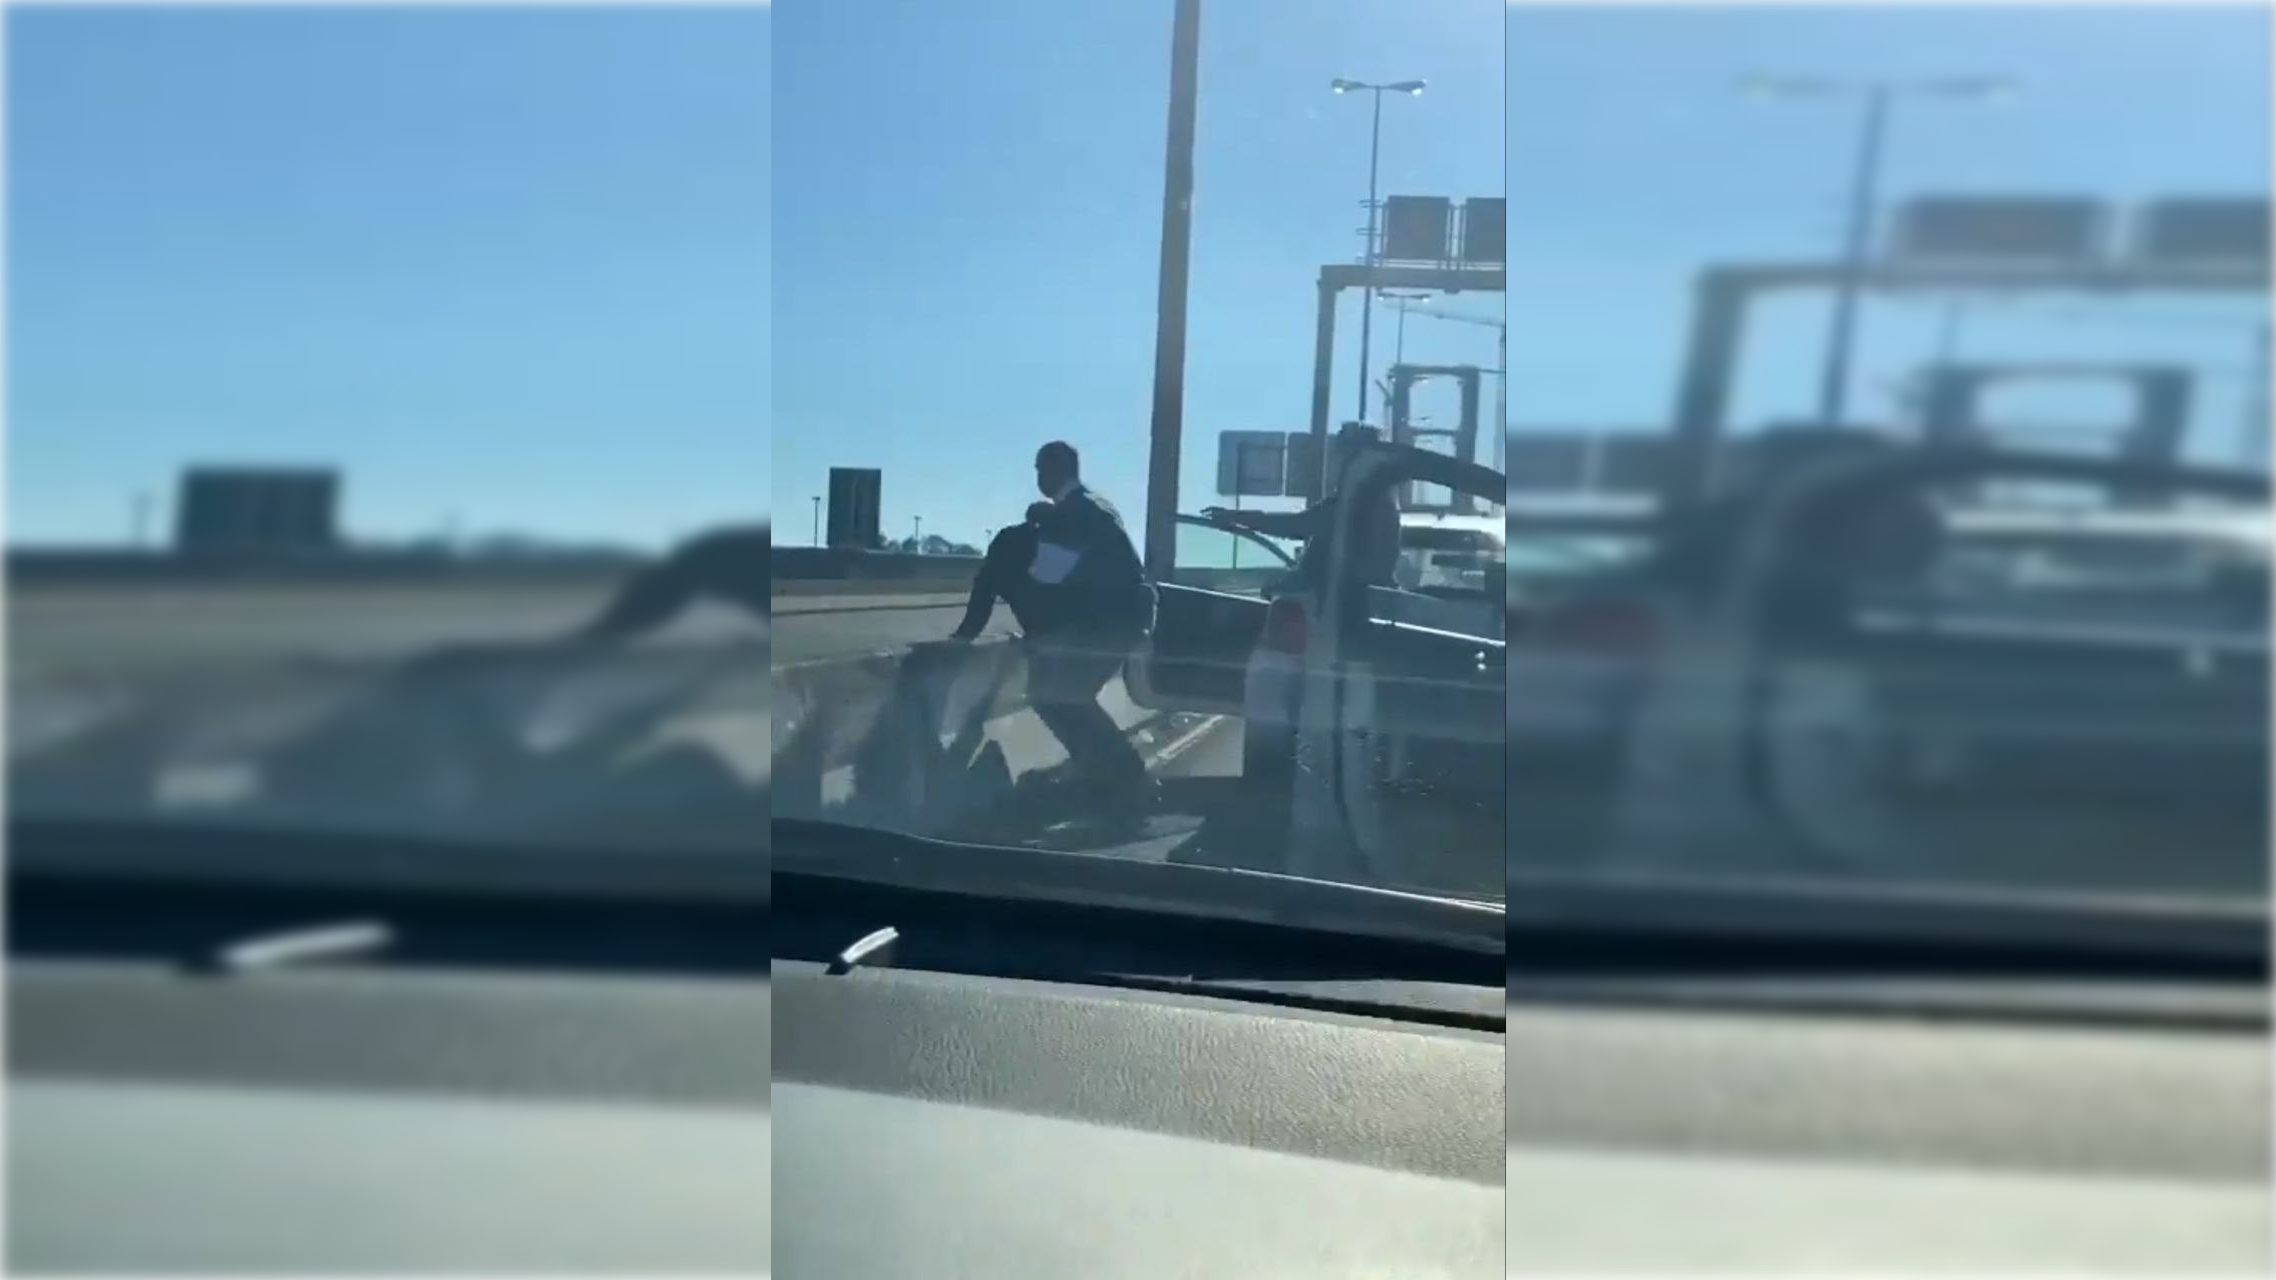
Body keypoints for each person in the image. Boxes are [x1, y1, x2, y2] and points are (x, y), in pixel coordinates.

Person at [1016, 440, 1158, 810]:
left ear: (1051, 470)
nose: (1036, 478)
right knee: (1066, 695)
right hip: (1124, 619)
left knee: (1056, 694)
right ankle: (1103, 772)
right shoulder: (1096, 505)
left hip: (1106, 622)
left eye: (1038, 469)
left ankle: (1128, 777)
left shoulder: (1071, 513)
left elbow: (1046, 577)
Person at [1203, 427, 1402, 590]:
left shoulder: (1363, 505)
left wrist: (1237, 518)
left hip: (1347, 607)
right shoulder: (1374, 501)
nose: (1338, 464)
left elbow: (1297, 525)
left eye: (1344, 456)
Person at [572, 523, 770, 645]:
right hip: (704, 563)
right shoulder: (720, 556)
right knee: (639, 612)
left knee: (639, 612)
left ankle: (596, 635)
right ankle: (595, 636)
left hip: (706, 562)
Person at [948, 502, 1074, 642]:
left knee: (986, 584)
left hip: (1006, 584)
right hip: (1030, 590)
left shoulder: (1008, 534)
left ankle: (967, 633)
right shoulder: (1051, 539)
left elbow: (990, 560)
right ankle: (1039, 632)